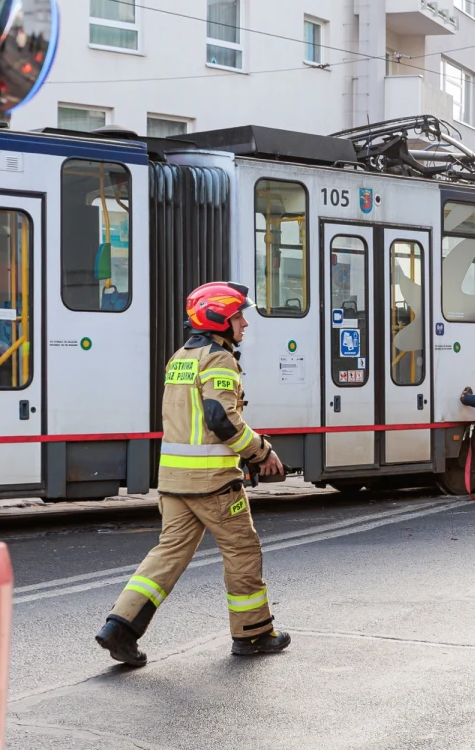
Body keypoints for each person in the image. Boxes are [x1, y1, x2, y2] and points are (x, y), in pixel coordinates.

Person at [95, 282, 289, 667]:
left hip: (173, 481)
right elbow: (221, 418)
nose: (245, 324)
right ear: (219, 318)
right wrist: (260, 452)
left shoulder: (180, 357)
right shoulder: (219, 360)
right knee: (242, 551)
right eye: (239, 316)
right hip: (213, 484)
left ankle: (120, 627)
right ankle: (252, 635)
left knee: (167, 555)